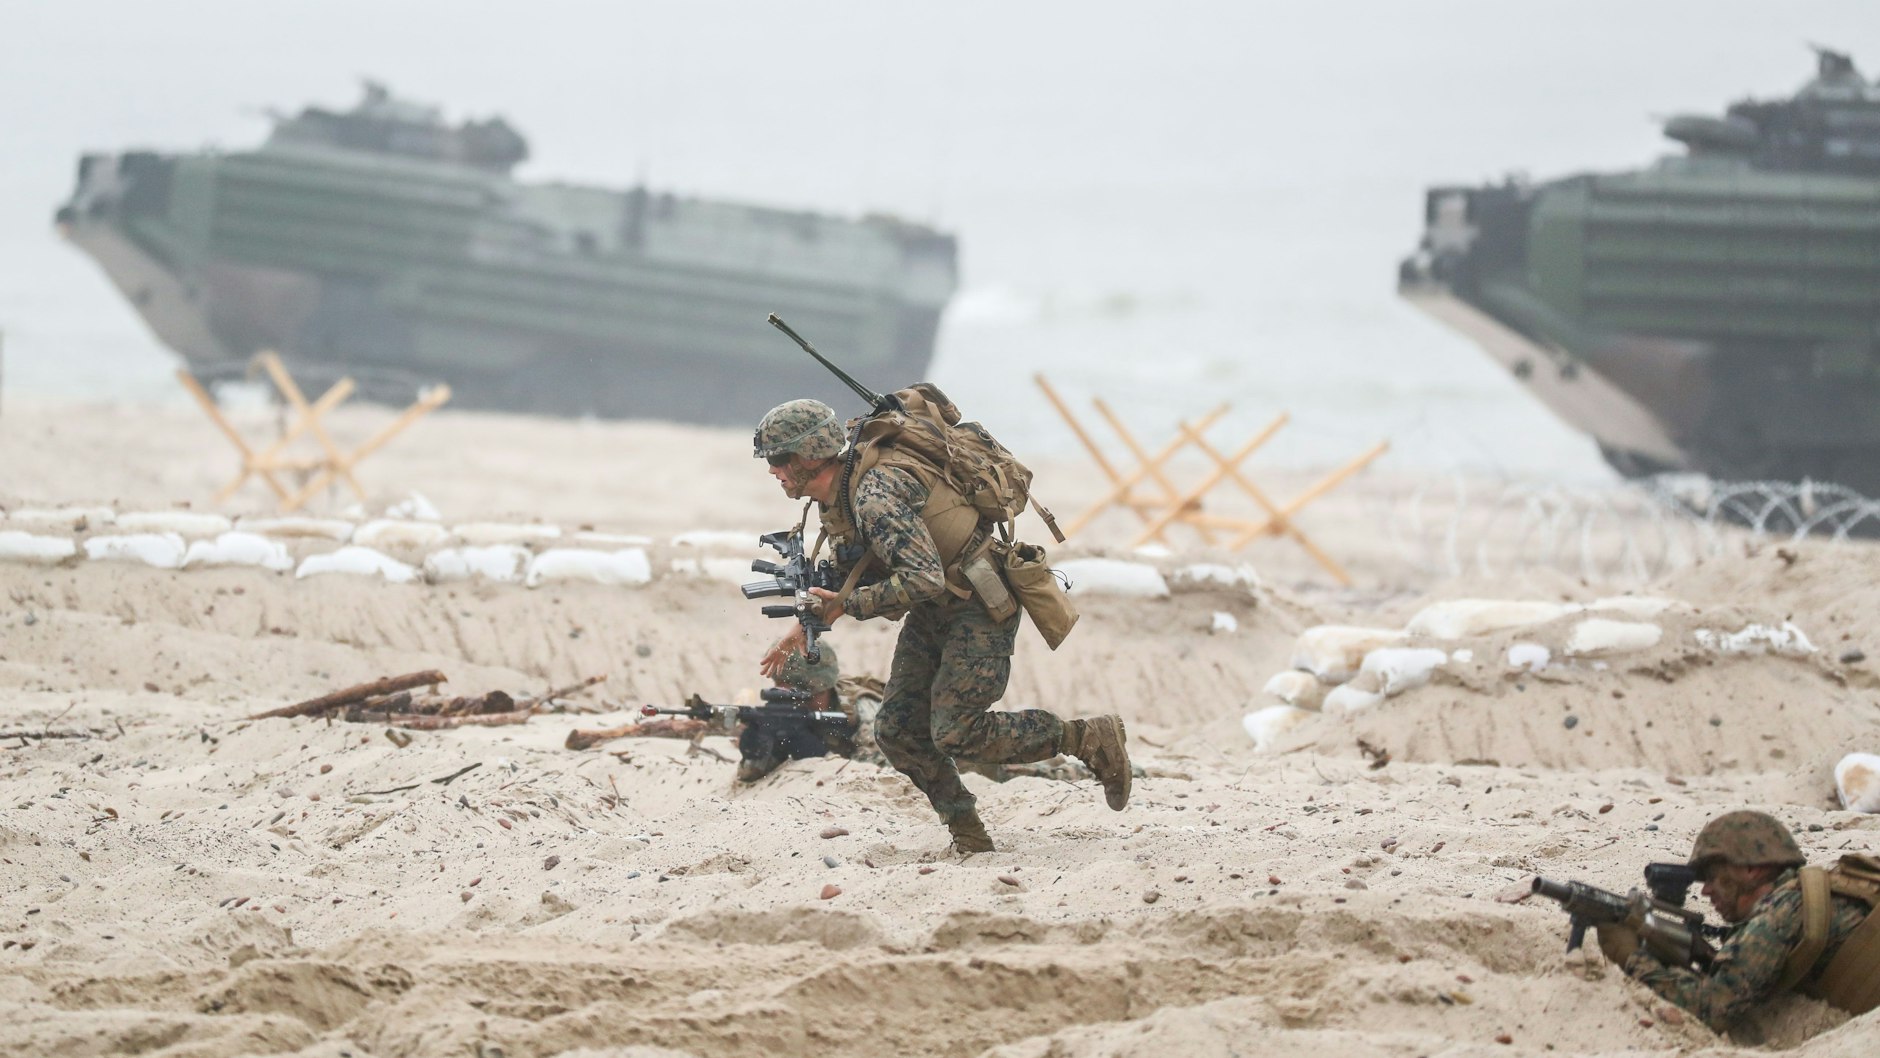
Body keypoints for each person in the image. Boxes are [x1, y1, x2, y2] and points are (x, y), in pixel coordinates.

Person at [752, 398, 1132, 852]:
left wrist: (847, 607)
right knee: (896, 732)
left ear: (807, 457)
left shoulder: (874, 496)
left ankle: (1085, 737)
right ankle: (970, 836)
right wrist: (807, 623)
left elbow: (921, 578)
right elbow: (860, 567)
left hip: (978, 604)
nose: (774, 472)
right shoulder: (844, 496)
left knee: (956, 731)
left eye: (778, 461)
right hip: (938, 607)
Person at [1594, 810, 1879, 1032]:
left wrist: (1632, 957)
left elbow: (1711, 1009)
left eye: (1713, 875)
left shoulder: (1779, 916)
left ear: (1753, 870)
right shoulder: (1815, 892)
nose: (1705, 890)